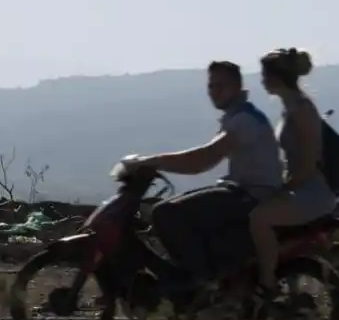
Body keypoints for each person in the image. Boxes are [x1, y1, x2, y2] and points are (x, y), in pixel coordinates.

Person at [122, 61, 284, 289]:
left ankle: (204, 284)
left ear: (237, 87)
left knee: (165, 213)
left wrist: (150, 162)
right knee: (171, 206)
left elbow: (204, 158)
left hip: (254, 196)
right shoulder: (238, 116)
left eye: (221, 86)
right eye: (211, 86)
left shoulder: (245, 121)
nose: (214, 91)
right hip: (242, 190)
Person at [249, 48, 336, 303]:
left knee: (259, 218)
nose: (262, 80)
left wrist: (284, 189)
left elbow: (308, 164)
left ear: (276, 77)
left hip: (311, 193)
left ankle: (267, 283)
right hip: (300, 187)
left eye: (264, 75)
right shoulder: (291, 108)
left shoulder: (302, 109)